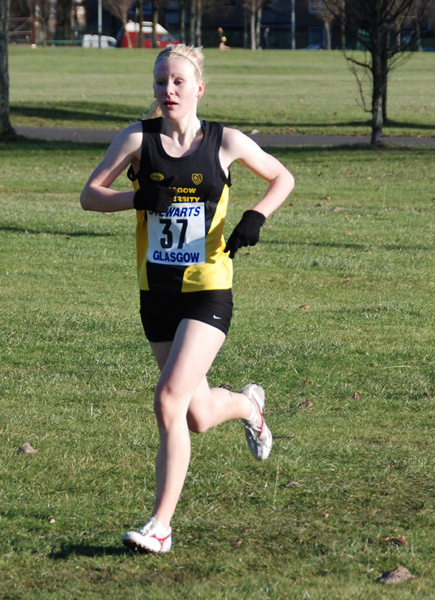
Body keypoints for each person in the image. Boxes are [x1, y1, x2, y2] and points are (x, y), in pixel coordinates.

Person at [80, 44, 294, 554]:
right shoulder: (138, 139)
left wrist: (256, 216)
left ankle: (160, 526)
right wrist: (136, 197)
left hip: (208, 292)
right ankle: (249, 405)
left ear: (199, 87)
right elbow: (90, 195)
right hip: (156, 293)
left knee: (167, 402)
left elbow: (282, 177)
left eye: (178, 81)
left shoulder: (225, 141)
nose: (168, 90)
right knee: (195, 415)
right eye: (161, 82)